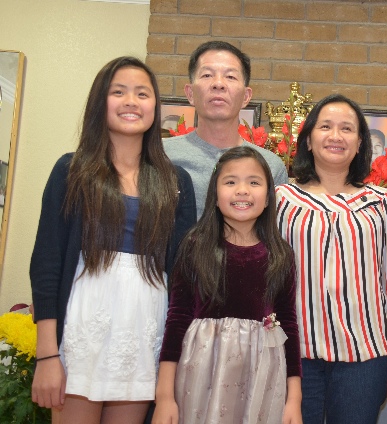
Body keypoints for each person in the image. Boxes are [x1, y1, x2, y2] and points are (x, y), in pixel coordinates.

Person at [30, 56, 197, 423]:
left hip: (143, 331)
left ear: (155, 106)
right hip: (81, 330)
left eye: (142, 93)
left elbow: (183, 280)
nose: (131, 102)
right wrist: (48, 355)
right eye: (118, 92)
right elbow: (46, 264)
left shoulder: (176, 182)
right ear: (99, 101)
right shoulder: (71, 171)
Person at [152, 146, 302, 424]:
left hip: (262, 374)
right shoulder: (195, 246)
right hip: (202, 372)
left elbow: (289, 325)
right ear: (215, 195)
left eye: (254, 182)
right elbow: (177, 318)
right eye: (230, 182)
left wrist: (294, 399)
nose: (242, 191)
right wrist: (164, 396)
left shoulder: (280, 255)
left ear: (268, 198)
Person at [276, 94, 387, 424]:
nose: (336, 135)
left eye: (347, 128)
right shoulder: (282, 200)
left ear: (360, 144)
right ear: (308, 140)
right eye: (325, 127)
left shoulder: (382, 202)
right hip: (296, 354)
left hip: (366, 354)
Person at [164, 41, 288, 218]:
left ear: (246, 97)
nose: (218, 84)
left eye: (230, 76)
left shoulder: (270, 166)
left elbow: (274, 230)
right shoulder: (161, 155)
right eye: (207, 75)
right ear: (190, 93)